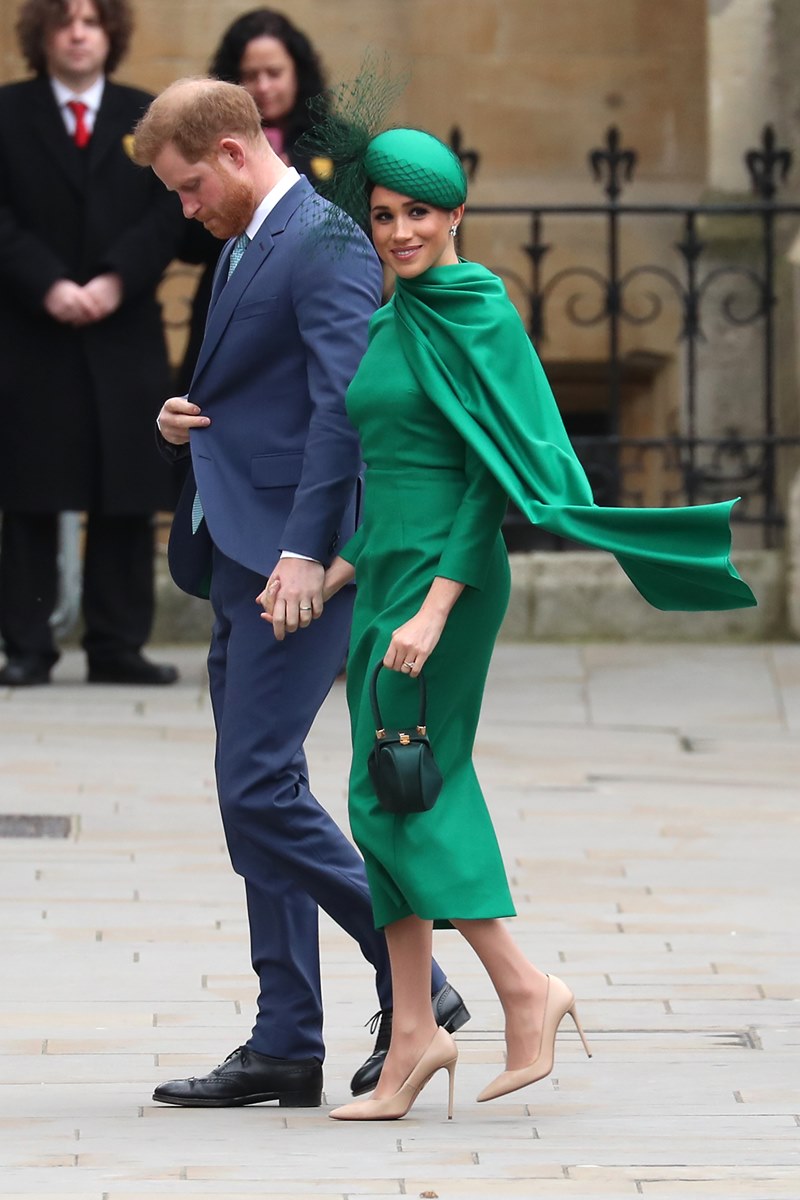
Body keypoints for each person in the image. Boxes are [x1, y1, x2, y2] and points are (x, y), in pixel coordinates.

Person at [262, 126, 757, 1120]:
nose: (400, 232)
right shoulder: (388, 322)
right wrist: (336, 567)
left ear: (455, 215)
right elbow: (393, 471)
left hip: (449, 580)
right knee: (382, 792)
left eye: (418, 213)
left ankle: (523, 987)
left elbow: (485, 476)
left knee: (409, 789)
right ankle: (411, 1037)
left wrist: (435, 609)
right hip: (388, 571)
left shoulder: (478, 310)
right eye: (384, 217)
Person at [131, 79, 468, 1110]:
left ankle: (426, 984)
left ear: (233, 153)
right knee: (255, 803)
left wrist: (303, 554)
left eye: (190, 188)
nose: (185, 209)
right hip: (239, 548)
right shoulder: (250, 237)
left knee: (258, 789)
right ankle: (285, 1036)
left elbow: (342, 408)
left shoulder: (319, 242)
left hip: (293, 565)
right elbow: (275, 390)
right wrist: (191, 418)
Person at [0, 0, 183, 687]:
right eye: (64, 20)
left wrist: (114, 279)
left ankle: (116, 645)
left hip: (123, 324)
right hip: (29, 326)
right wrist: (47, 283)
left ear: (111, 34)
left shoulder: (149, 115)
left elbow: (171, 208)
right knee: (29, 492)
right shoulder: (8, 112)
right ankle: (26, 644)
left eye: (91, 20)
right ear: (41, 34)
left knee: (124, 491)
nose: (78, 33)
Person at [176, 7, 332, 393]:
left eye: (274, 73)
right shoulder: (203, 148)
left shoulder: (335, 142)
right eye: (249, 76)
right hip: (229, 308)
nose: (262, 86)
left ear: (297, 72)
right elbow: (186, 239)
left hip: (309, 313)